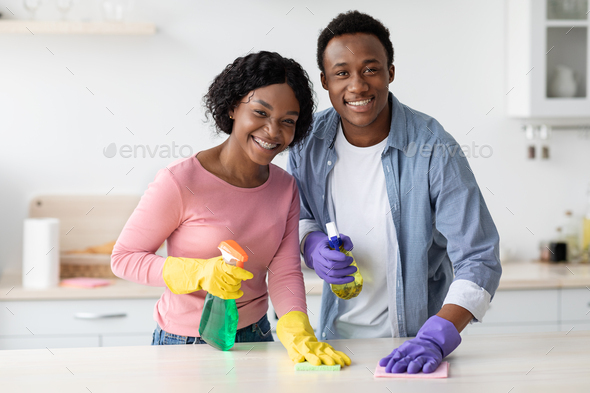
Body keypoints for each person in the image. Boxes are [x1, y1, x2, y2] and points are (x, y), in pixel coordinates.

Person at [288, 11, 502, 374]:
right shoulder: (307, 143)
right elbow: (296, 215)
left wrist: (439, 335)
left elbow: (479, 257)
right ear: (325, 81)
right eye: (342, 73)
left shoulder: (434, 148)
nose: (357, 86)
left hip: (415, 345)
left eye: (371, 69)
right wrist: (311, 244)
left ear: (390, 72)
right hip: (333, 345)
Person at [112, 51, 350, 368]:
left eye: (287, 121)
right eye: (260, 113)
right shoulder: (180, 181)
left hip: (258, 337)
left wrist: (297, 330)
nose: (273, 131)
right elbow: (124, 258)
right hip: (186, 343)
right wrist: (197, 272)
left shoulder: (285, 188)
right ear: (232, 107)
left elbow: (285, 272)